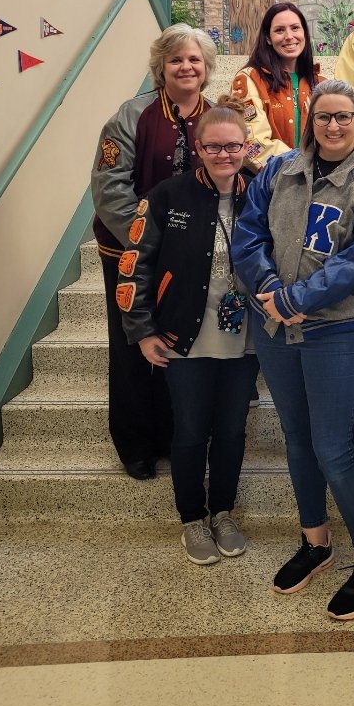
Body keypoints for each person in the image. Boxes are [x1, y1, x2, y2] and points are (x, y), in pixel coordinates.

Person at [233, 80, 354, 621]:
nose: (333, 125)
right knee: (297, 439)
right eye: (324, 116)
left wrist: (298, 298)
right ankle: (316, 541)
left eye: (343, 117)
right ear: (312, 121)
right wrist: (272, 295)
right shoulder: (280, 170)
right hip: (275, 327)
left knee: (333, 447)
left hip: (336, 330)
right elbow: (247, 234)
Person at [115, 97, 258, 564]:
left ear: (246, 146)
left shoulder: (263, 191)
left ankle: (223, 511)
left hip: (246, 337)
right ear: (198, 148)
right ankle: (191, 518)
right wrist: (142, 330)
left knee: (233, 430)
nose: (224, 155)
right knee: (192, 429)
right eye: (214, 147)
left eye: (233, 146)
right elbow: (134, 265)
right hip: (183, 335)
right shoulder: (166, 196)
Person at [91, 24, 216, 480]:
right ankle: (134, 444)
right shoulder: (132, 115)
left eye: (195, 60)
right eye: (176, 59)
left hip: (187, 256)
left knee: (176, 344)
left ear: (207, 69)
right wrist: (148, 246)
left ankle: (171, 435)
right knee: (131, 348)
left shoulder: (217, 116)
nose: (186, 67)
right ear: (160, 67)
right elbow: (110, 188)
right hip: (126, 253)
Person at [231, 1, 319, 171]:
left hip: (316, 183)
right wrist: (300, 169)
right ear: (268, 38)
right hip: (268, 184)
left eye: (295, 28)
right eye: (279, 30)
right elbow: (252, 141)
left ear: (304, 34)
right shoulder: (248, 80)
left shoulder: (320, 83)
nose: (289, 36)